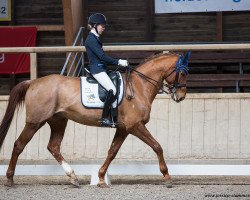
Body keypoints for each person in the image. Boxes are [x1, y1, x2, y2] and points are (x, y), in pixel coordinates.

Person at [85, 13, 129, 127]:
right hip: (97, 70)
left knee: (115, 86)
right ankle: (104, 118)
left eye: (104, 26)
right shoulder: (91, 39)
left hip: (101, 68)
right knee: (112, 90)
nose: (103, 28)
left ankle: (114, 119)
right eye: (102, 26)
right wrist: (118, 61)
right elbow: (102, 57)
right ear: (94, 25)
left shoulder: (95, 38)